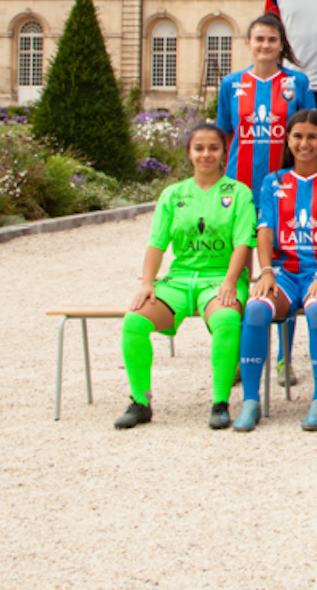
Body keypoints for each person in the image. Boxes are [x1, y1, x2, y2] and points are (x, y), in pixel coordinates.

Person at [114, 123, 254, 430]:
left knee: (227, 319)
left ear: (224, 153)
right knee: (134, 321)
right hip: (179, 279)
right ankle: (140, 401)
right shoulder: (173, 194)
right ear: (189, 153)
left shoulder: (239, 193)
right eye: (199, 148)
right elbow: (157, 243)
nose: (206, 154)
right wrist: (147, 283)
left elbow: (243, 243)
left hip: (219, 278)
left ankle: (220, 402)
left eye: (213, 148)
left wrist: (231, 282)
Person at [235, 111, 317, 433]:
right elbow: (265, 229)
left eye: (312, 136)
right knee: (257, 309)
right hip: (285, 272)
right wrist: (267, 273)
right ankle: (250, 400)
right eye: (298, 136)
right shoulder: (273, 182)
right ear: (287, 140)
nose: (305, 143)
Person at [215, 14, 317, 192]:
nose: (265, 45)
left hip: (287, 180)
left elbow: (311, 132)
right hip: (240, 181)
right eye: (259, 39)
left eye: (272, 40)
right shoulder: (231, 83)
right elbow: (225, 134)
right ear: (248, 43)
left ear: (281, 44)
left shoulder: (298, 82)